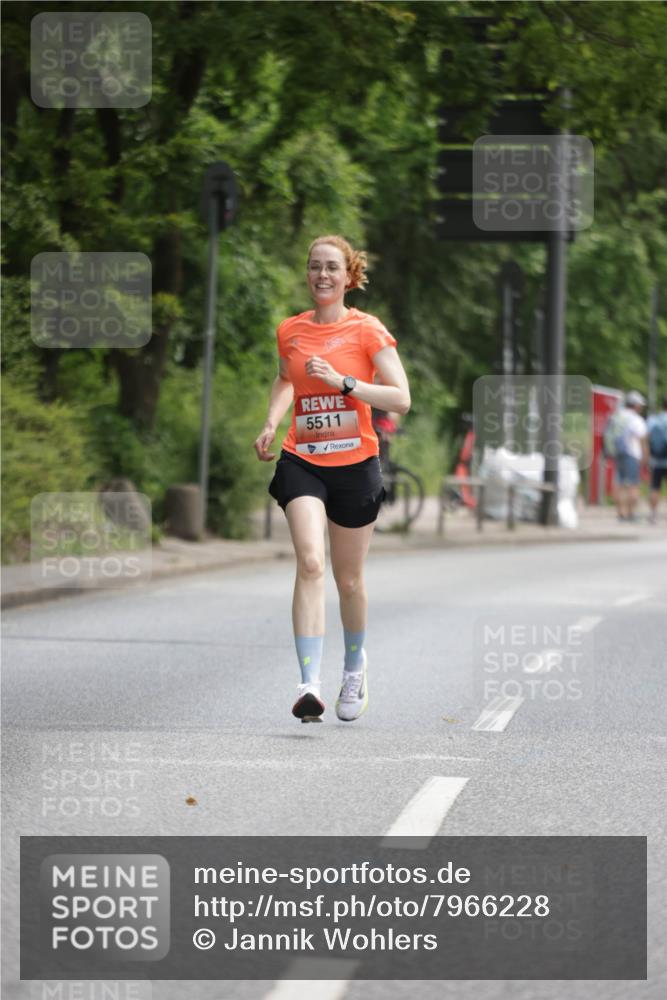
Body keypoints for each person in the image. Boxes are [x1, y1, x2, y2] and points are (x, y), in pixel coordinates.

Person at [254, 235, 410, 723]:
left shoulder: (367, 331)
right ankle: (307, 685)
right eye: (314, 266)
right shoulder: (292, 331)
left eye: (331, 268)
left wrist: (344, 383)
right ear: (308, 274)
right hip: (303, 458)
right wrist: (271, 421)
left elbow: (400, 397)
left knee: (349, 580)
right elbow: (286, 379)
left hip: (356, 465)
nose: (322, 275)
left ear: (348, 276)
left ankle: (354, 668)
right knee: (310, 562)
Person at [607, 390, 649, 522]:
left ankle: (620, 514)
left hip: (617, 453)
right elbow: (642, 440)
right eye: (640, 405)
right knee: (633, 485)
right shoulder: (636, 419)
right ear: (636, 405)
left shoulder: (616, 416)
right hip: (632, 454)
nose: (641, 407)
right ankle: (630, 514)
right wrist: (645, 458)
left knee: (619, 484)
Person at [647, 397, 667, 524]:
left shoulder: (653, 420)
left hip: (656, 460)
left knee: (655, 487)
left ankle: (653, 515)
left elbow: (645, 437)